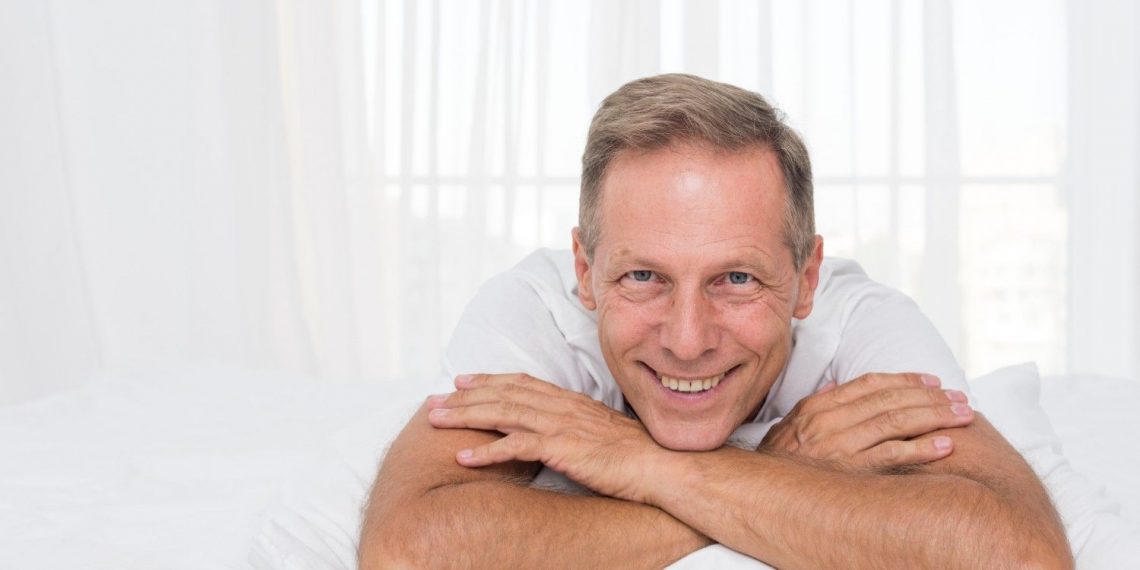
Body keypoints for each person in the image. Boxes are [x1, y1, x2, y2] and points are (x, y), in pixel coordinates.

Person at [359, 74, 1072, 568]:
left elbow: (1022, 558)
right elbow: (408, 553)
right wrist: (774, 475)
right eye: (643, 277)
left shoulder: (864, 326)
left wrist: (640, 464)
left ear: (806, 278)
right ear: (584, 271)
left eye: (736, 279)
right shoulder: (532, 315)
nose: (689, 340)